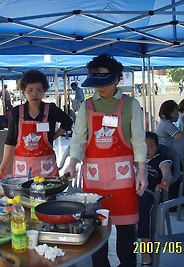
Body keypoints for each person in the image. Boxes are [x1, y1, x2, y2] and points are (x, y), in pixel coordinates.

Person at [65, 54, 148, 267]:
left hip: (123, 179)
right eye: (95, 83)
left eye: (104, 83)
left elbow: (139, 140)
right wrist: (73, 163)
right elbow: (79, 139)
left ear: (117, 79)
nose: (99, 89)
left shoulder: (130, 104)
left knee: (126, 229)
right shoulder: (87, 106)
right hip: (94, 179)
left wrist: (142, 171)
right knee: (96, 230)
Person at [0, 69, 73, 179]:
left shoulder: (51, 109)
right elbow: (11, 140)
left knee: (49, 194)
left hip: (47, 168)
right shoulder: (16, 112)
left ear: (44, 91)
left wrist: (52, 137)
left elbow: (68, 122)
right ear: (23, 91)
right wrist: (4, 164)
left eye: (39, 90)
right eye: (30, 90)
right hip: (22, 169)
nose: (35, 94)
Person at [138, 131, 172, 265]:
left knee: (142, 209)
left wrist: (166, 180)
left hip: (150, 193)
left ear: (157, 147)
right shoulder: (136, 160)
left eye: (150, 146)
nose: (146, 149)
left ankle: (145, 253)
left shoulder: (160, 159)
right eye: (143, 146)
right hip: (133, 192)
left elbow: (167, 172)